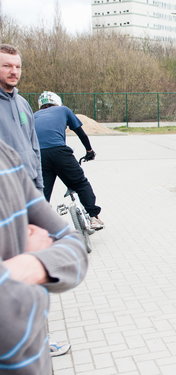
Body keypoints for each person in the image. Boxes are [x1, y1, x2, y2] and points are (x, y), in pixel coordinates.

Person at [0, 139, 88, 374]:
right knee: (80, 182)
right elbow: (9, 327)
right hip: (59, 154)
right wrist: (34, 278)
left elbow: (76, 249)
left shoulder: (5, 152)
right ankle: (94, 212)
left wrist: (28, 265)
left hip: (37, 365)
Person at [34, 91, 104, 230]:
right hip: (60, 152)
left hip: (39, 156)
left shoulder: (33, 115)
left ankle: (38, 228)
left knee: (42, 193)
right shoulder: (63, 110)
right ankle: (93, 217)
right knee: (80, 183)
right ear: (57, 102)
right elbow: (80, 133)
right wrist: (89, 151)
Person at [0, 44, 43, 190]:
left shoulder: (23, 103)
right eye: (7, 66)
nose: (14, 72)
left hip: (29, 186)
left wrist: (40, 187)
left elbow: (34, 148)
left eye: (17, 67)